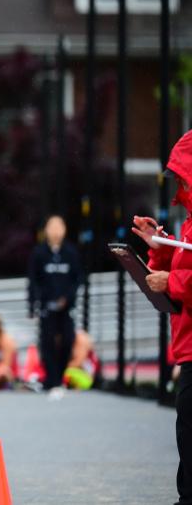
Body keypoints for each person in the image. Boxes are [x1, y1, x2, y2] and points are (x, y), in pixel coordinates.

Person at [134, 129, 192, 504]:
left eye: (183, 174)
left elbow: (181, 278)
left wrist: (171, 281)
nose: (180, 182)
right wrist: (158, 248)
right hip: (188, 343)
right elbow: (181, 261)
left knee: (189, 427)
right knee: (186, 428)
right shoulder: (188, 223)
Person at [28, 215, 83, 391]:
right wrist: (32, 304)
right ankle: (51, 378)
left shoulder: (71, 253)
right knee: (47, 342)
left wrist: (68, 298)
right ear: (46, 230)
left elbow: (77, 279)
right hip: (46, 306)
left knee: (68, 340)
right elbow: (33, 280)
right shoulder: (39, 253)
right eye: (52, 227)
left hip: (66, 307)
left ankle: (59, 375)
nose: (56, 231)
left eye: (59, 227)